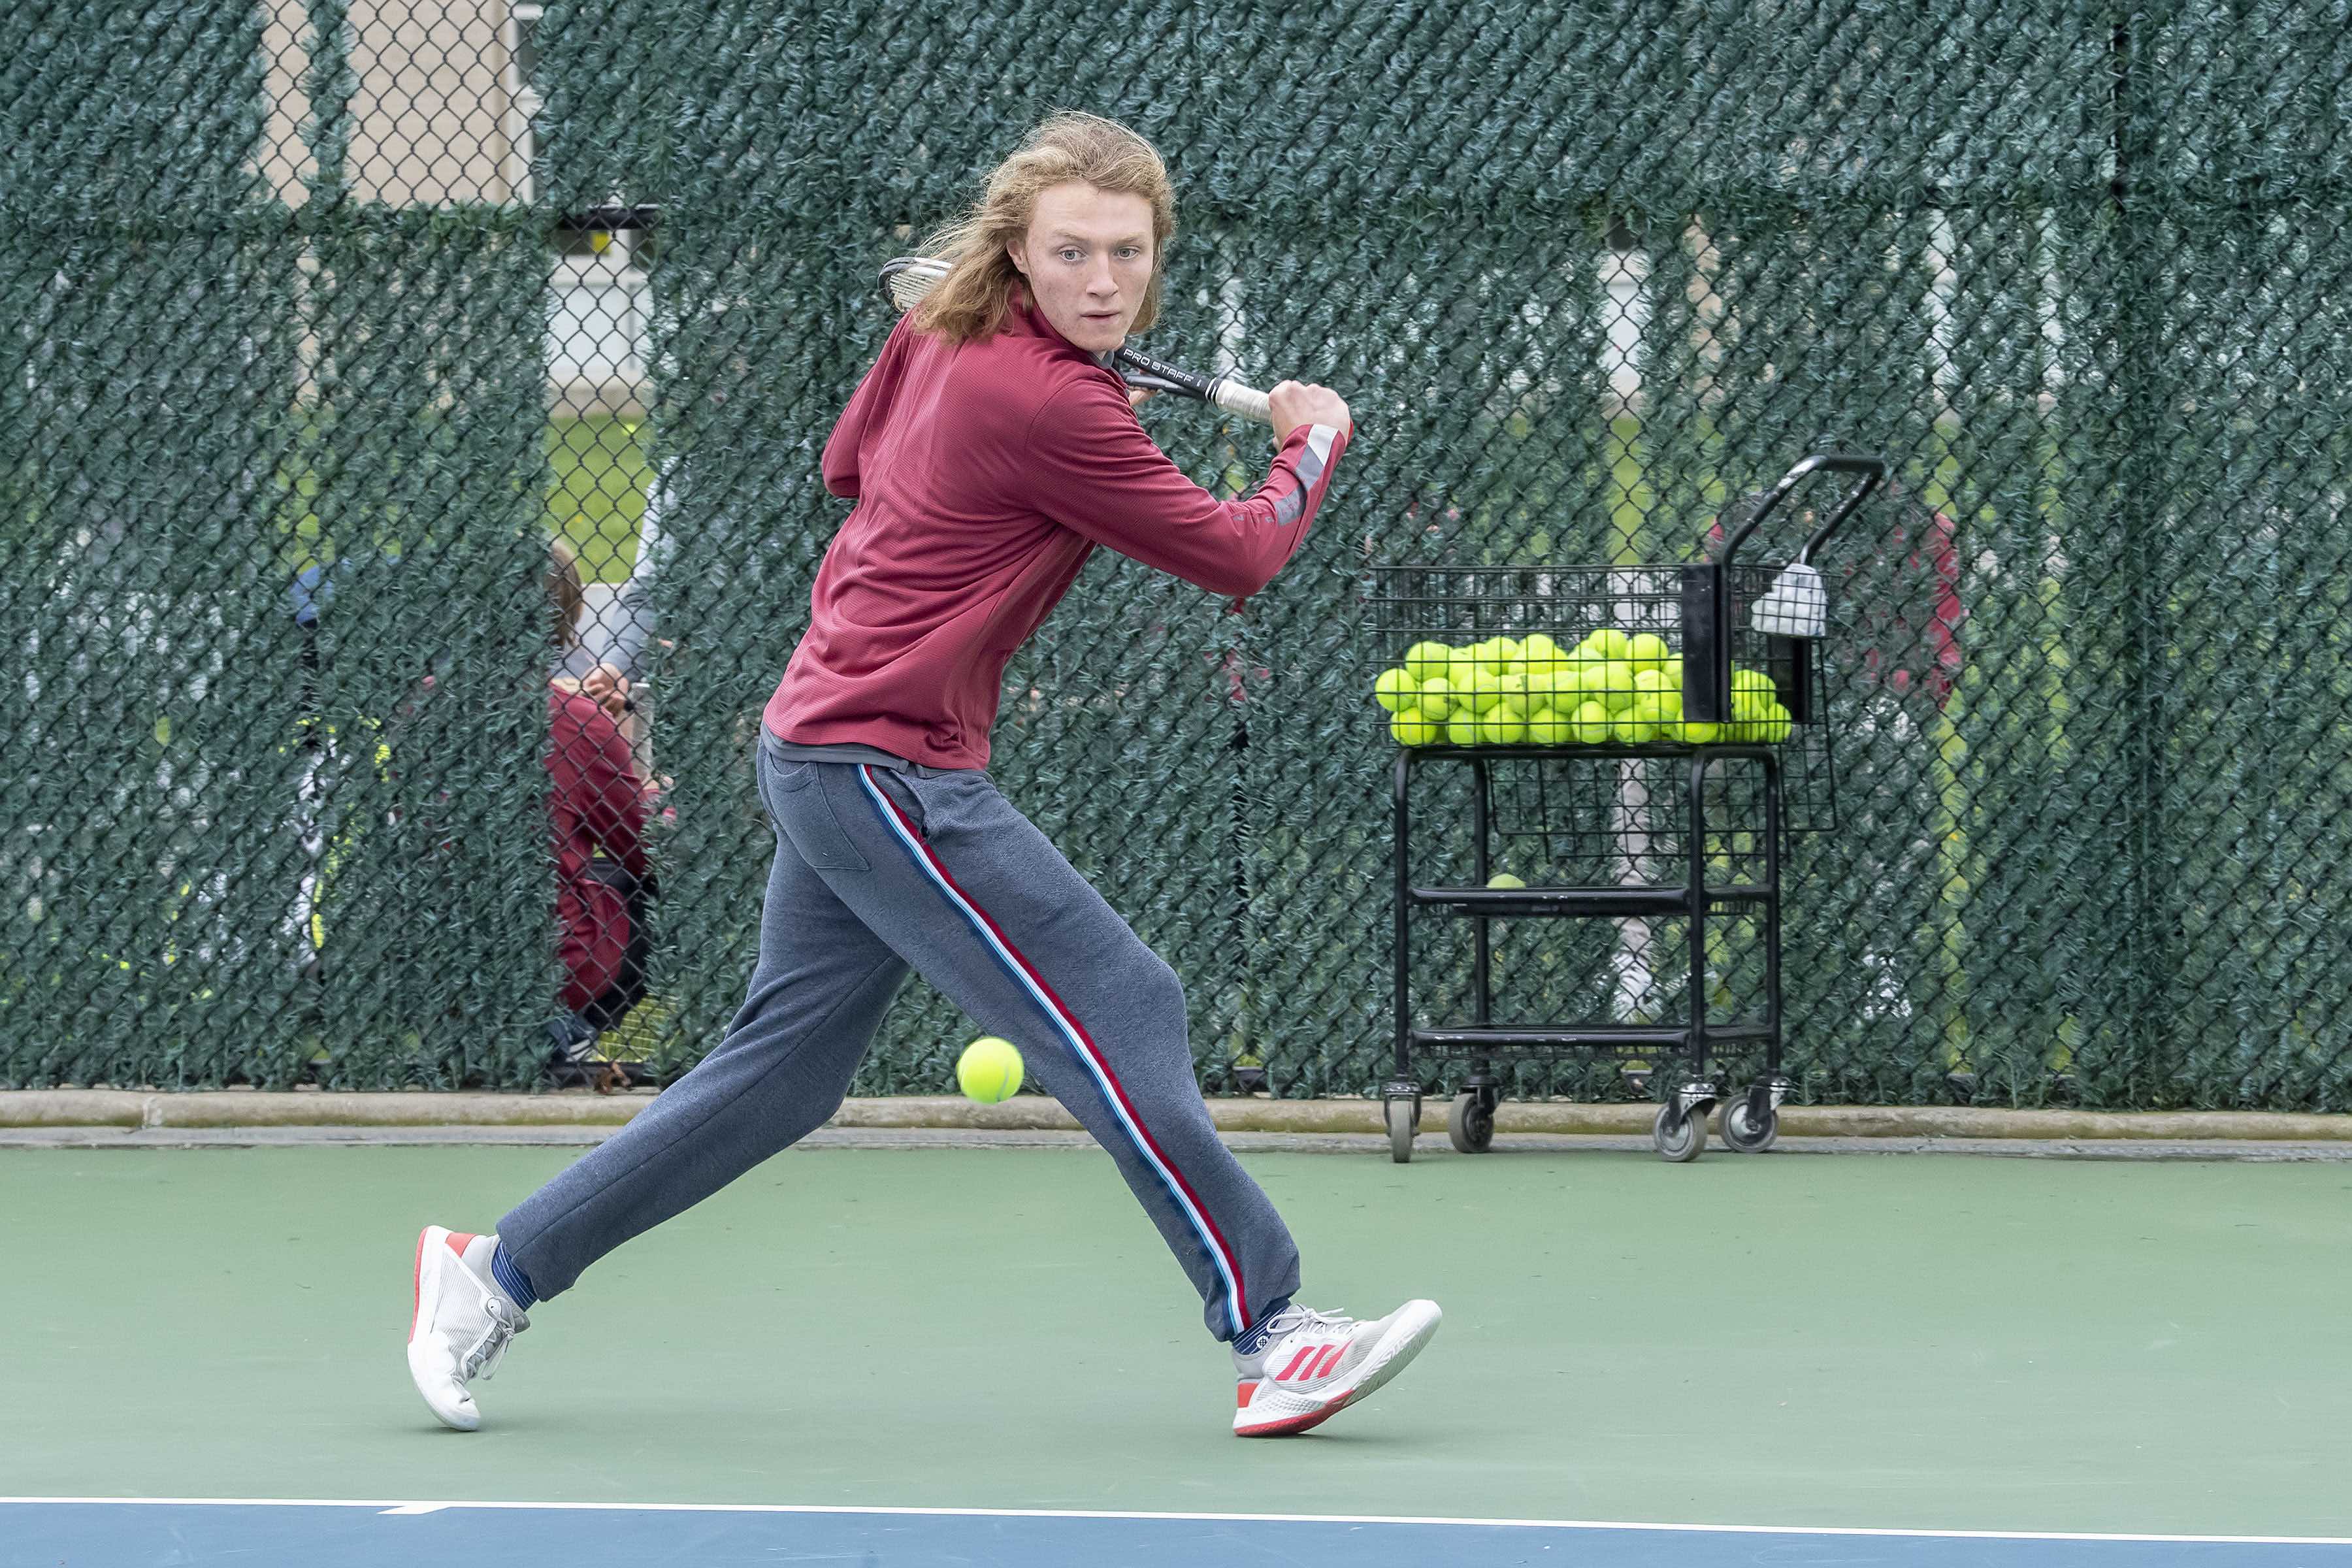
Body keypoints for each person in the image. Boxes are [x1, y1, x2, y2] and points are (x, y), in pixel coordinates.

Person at [408, 112, 1439, 1438]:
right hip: (884, 767)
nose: (1106, 280)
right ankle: (1274, 1329)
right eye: (1073, 252)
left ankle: (492, 1274)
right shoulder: (1051, 398)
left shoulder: (943, 331)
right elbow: (1240, 556)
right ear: (1023, 250)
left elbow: (851, 465)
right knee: (1125, 1003)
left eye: (1128, 252)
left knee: (781, 1079)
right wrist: (1313, 442)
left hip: (825, 746)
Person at [543, 538, 659, 1088]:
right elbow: (640, 846)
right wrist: (646, 786)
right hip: (561, 956)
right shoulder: (574, 721)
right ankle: (565, 1029)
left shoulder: (422, 702)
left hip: (422, 957)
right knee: (639, 887)